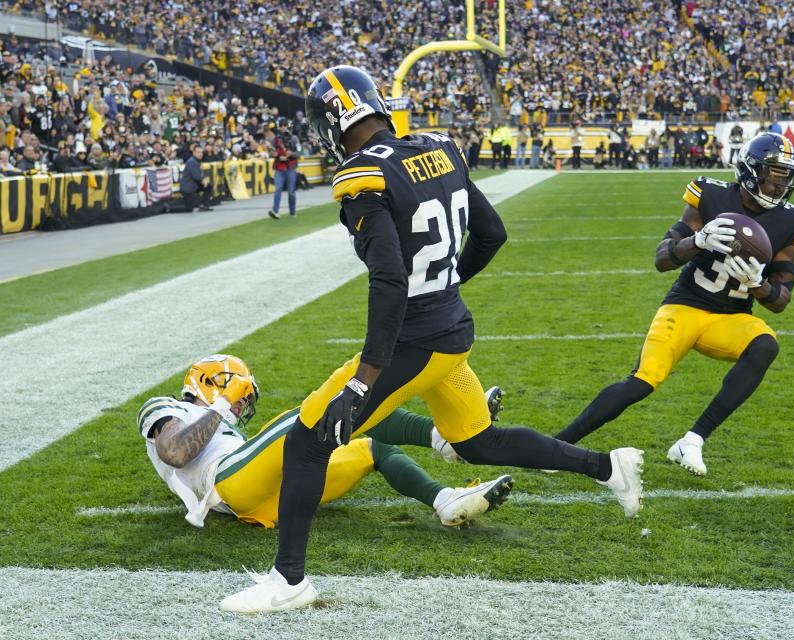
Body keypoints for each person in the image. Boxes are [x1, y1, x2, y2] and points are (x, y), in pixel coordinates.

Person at [220, 65, 643, 613]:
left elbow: (391, 280)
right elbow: (493, 233)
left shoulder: (362, 175)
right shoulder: (438, 148)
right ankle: (609, 467)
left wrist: (365, 377)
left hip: (414, 343)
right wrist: (449, 282)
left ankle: (289, 581)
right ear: (374, 104)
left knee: (307, 440)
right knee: (477, 443)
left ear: (329, 124)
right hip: (452, 333)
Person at [555, 133, 794, 478]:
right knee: (642, 382)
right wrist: (697, 241)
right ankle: (557, 447)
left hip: (731, 317)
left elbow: (781, 300)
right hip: (685, 306)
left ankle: (692, 441)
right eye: (773, 174)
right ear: (751, 171)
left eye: (786, 176)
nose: (779, 184)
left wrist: (759, 285)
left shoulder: (793, 221)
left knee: (765, 344)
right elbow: (662, 259)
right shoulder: (710, 195)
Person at [138, 354, 513, 532]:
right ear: (208, 384)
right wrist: (221, 404)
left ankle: (444, 498)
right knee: (315, 413)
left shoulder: (224, 427)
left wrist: (222, 409)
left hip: (264, 499)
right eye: (237, 394)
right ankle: (445, 439)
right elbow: (175, 453)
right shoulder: (164, 407)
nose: (240, 404)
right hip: (226, 485)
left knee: (372, 448)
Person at [268, 117, 300, 219]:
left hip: (290, 167)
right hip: (279, 167)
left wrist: (291, 154)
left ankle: (292, 212)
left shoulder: (294, 138)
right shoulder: (276, 139)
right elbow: (270, 152)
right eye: (281, 125)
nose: (282, 127)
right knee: (277, 190)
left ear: (287, 126)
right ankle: (275, 211)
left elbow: (299, 152)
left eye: (284, 125)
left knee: (291, 191)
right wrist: (275, 154)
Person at [176, 144, 213, 212]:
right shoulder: (192, 162)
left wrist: (204, 180)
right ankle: (169, 208)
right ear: (194, 153)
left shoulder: (196, 161)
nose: (200, 154)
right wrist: (203, 180)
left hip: (193, 185)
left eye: (201, 152)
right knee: (189, 209)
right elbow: (197, 177)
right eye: (198, 152)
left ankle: (204, 206)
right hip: (187, 188)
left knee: (208, 186)